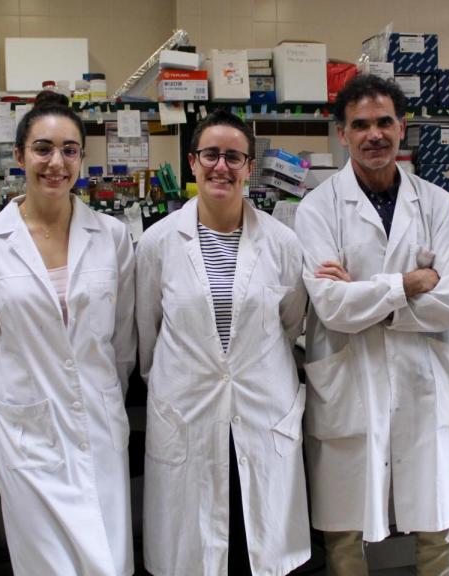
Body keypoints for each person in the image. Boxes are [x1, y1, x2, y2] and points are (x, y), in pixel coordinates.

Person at [294, 75, 449, 576]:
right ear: (342, 134)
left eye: (385, 122)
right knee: (346, 527)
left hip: (422, 374)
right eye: (361, 125)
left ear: (402, 127)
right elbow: (332, 308)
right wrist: (412, 284)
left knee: (437, 520)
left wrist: (369, 297)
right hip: (351, 379)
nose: (375, 134)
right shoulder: (317, 208)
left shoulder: (434, 202)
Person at [0, 90, 136, 576]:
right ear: (19, 156)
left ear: (81, 157)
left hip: (98, 427)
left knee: (109, 561)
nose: (56, 162)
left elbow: (122, 343)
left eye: (69, 149)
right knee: (46, 566)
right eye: (42, 148)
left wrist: (104, 397)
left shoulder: (112, 236)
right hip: (26, 433)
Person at [136, 109, 310, 576]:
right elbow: (147, 336)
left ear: (250, 167)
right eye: (211, 155)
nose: (222, 167)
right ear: (192, 162)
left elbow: (290, 324)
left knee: (254, 546)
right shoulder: (157, 244)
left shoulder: (282, 243)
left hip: (260, 413)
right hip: (187, 415)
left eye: (234, 157)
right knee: (195, 554)